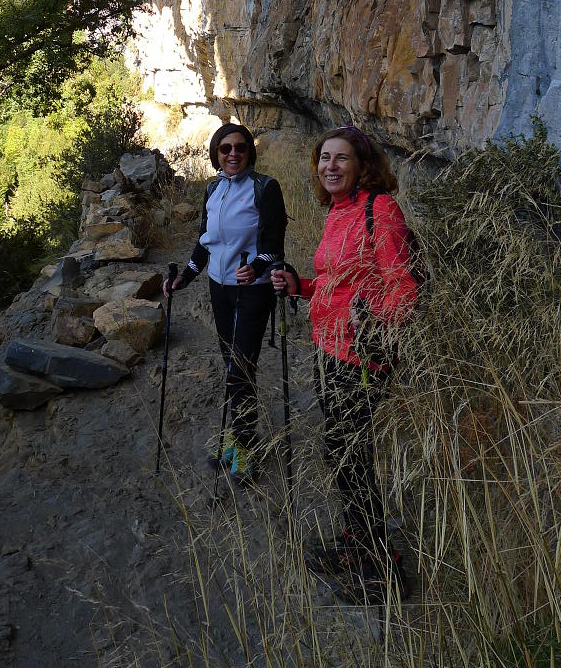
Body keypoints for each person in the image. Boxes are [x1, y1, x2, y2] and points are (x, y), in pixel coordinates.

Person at [272, 125, 418, 601]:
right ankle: (358, 544)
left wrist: (373, 333)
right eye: (324, 158)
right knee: (340, 453)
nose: (330, 166)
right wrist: (302, 287)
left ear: (363, 166)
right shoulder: (339, 210)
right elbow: (337, 281)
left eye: (341, 158)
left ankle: (384, 569)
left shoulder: (381, 209)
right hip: (328, 349)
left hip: (359, 359)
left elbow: (403, 287)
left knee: (352, 458)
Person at [164, 123, 286, 484]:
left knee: (240, 369)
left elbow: (274, 246)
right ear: (216, 153)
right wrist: (185, 277)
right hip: (219, 289)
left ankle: (246, 445)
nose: (233, 154)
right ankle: (238, 434)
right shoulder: (212, 188)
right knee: (230, 364)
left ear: (250, 151)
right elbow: (206, 241)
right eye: (226, 148)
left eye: (240, 148)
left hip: (253, 291)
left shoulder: (265, 188)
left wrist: (257, 267)